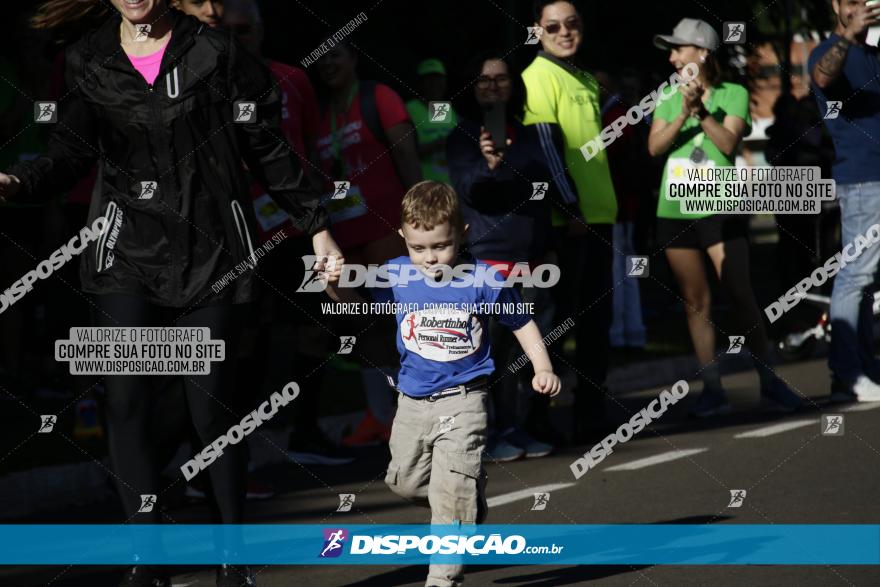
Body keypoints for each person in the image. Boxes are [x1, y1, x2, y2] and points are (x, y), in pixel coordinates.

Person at [0, 2, 342, 586]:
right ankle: (147, 557)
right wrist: (18, 181)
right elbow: (70, 151)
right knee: (126, 402)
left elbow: (266, 145)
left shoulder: (216, 51)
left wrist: (320, 228)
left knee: (209, 410)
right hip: (125, 254)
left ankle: (232, 557)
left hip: (210, 252)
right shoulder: (90, 57)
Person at [324, 181, 561, 587]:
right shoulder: (395, 276)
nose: (431, 258)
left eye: (441, 246)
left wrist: (543, 366)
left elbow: (521, 322)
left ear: (462, 234)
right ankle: (469, 499)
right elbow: (352, 306)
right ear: (403, 239)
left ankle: (443, 575)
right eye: (419, 248)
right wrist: (331, 280)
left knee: (449, 496)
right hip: (413, 403)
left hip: (464, 402)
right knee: (404, 481)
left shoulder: (482, 279)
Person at [648, 18, 802, 416]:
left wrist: (700, 111)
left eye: (678, 48)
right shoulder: (666, 94)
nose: (672, 55)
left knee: (739, 292)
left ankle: (768, 380)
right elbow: (654, 147)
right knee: (695, 300)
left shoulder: (733, 92)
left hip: (719, 202)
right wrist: (682, 111)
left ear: (701, 53)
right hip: (674, 207)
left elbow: (728, 143)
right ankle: (712, 387)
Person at [447, 52, 579, 460]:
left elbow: (555, 187)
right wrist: (488, 163)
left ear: (514, 86)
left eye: (501, 79)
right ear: (470, 88)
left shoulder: (534, 134)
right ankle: (492, 432)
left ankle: (523, 425)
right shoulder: (463, 136)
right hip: (489, 260)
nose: (492, 86)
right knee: (496, 348)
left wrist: (564, 233)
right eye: (483, 80)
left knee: (535, 346)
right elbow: (469, 191)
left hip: (537, 258)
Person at [312, 40, 423, 447]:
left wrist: (420, 221)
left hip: (386, 234)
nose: (328, 65)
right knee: (363, 332)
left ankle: (417, 412)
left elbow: (409, 161)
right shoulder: (320, 114)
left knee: (400, 328)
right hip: (344, 241)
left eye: (336, 55)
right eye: (321, 59)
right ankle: (380, 418)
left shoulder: (379, 97)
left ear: (355, 57)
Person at [522, 0, 617, 442]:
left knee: (597, 323)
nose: (564, 32)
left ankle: (590, 416)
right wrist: (570, 208)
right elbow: (543, 149)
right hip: (568, 224)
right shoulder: (536, 77)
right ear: (537, 31)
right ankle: (538, 420)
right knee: (554, 325)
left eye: (572, 24)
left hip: (599, 219)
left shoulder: (582, 77)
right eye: (553, 25)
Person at [810, 0, 880, 402]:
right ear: (835, 6)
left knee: (866, 282)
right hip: (863, 181)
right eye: (850, 1)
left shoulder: (872, 54)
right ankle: (846, 375)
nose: (859, 8)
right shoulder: (829, 50)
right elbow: (822, 75)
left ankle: (864, 365)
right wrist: (847, 35)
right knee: (855, 276)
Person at [595, 69, 649, 353]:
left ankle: (619, 333)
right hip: (627, 205)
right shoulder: (622, 113)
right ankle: (632, 332)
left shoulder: (614, 116)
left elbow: (610, 158)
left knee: (618, 271)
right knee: (627, 271)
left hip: (618, 206)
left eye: (600, 84)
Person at [406, 58, 457, 184]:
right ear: (420, 83)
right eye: (429, 78)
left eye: (438, 78)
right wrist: (438, 144)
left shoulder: (445, 109)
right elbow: (404, 153)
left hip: (449, 188)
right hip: (423, 188)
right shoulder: (410, 109)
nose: (434, 83)